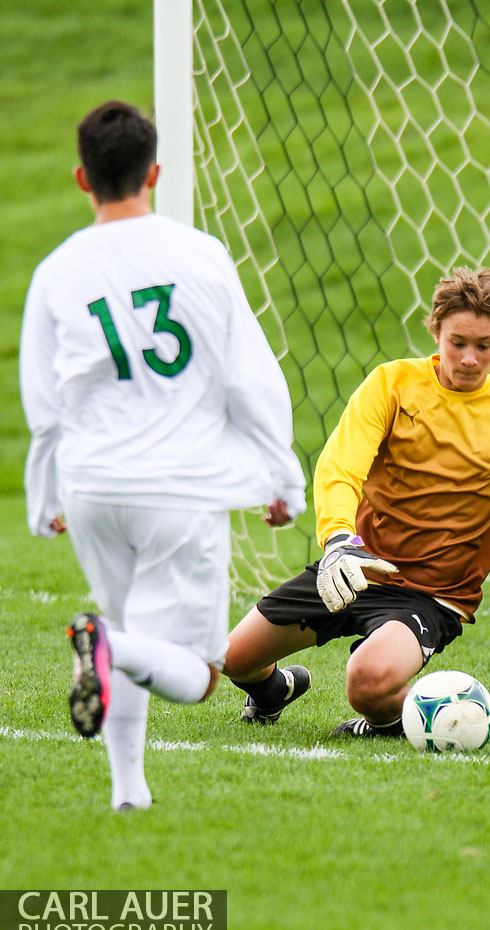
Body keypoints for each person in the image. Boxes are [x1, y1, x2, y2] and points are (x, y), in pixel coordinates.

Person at [19, 100, 306, 808]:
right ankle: (106, 653)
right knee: (199, 672)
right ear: (154, 171)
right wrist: (281, 476)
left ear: (82, 180)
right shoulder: (199, 255)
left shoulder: (57, 272)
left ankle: (128, 792)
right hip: (179, 487)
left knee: (125, 635)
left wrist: (45, 496)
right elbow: (248, 374)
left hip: (93, 487)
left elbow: (43, 400)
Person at [223, 266, 490, 737]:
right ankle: (274, 691)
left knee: (366, 683)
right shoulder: (393, 385)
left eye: (483, 345)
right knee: (232, 658)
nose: (468, 358)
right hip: (356, 568)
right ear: (435, 330)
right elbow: (340, 467)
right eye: (457, 342)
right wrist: (339, 540)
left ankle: (398, 719)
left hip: (433, 595)